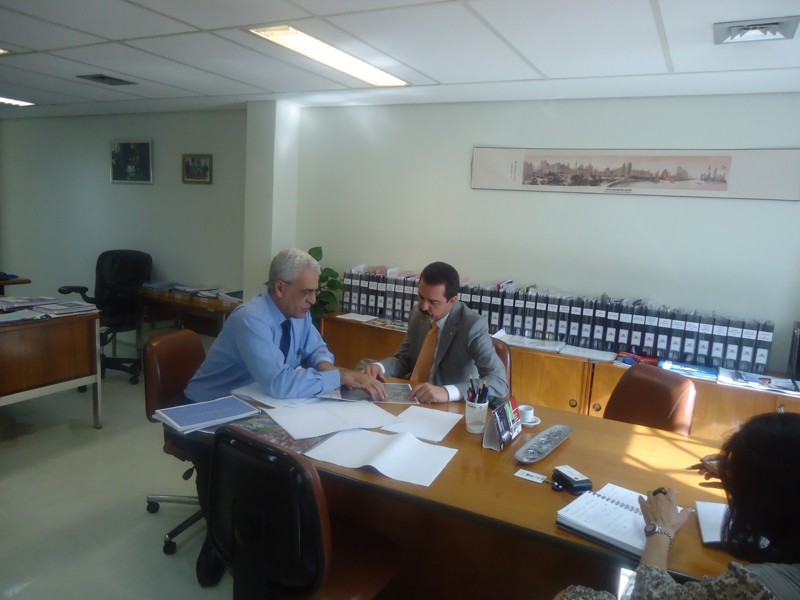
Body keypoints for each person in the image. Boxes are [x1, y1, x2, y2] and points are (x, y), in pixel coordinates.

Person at [180, 248, 385, 587]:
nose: (313, 300)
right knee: (234, 462)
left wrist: (326, 367)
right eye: (307, 293)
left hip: (253, 403)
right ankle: (217, 540)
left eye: (315, 292)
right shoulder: (251, 318)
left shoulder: (297, 311)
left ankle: (268, 529)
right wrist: (340, 376)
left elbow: (315, 349)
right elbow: (278, 382)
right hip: (207, 409)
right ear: (279, 287)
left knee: (286, 456)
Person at [554, 412, 800, 599]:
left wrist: (660, 529)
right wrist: (741, 474)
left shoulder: (759, 586)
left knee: (569, 595)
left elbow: (650, 596)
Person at [363, 261, 509, 404]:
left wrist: (447, 392)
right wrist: (380, 367)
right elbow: (404, 359)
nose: (423, 306)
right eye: (421, 297)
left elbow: (499, 381)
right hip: (414, 397)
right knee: (363, 368)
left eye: (433, 302)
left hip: (449, 406)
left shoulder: (472, 325)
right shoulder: (418, 314)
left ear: (452, 301)